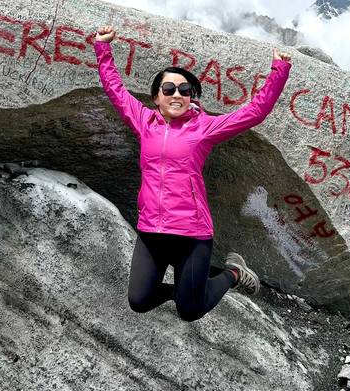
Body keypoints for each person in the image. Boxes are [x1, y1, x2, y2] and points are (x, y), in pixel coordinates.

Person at [94, 25, 292, 321]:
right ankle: (192, 288)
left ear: (191, 96)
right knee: (139, 299)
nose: (177, 94)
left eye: (185, 90)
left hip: (191, 234)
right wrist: (102, 47)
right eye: (169, 89)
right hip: (152, 231)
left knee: (190, 310)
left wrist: (280, 69)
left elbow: (255, 112)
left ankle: (233, 274)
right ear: (156, 97)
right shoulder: (143, 121)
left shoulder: (204, 128)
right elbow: (115, 89)